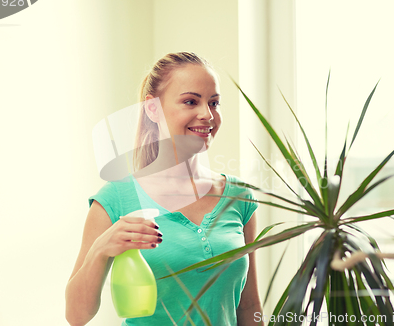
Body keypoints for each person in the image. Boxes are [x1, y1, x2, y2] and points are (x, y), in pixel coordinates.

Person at [65, 52, 262, 326]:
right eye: (191, 101)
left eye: (214, 103)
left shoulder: (239, 197)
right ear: (152, 108)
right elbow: (76, 316)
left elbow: (249, 306)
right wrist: (101, 249)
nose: (207, 115)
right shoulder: (115, 198)